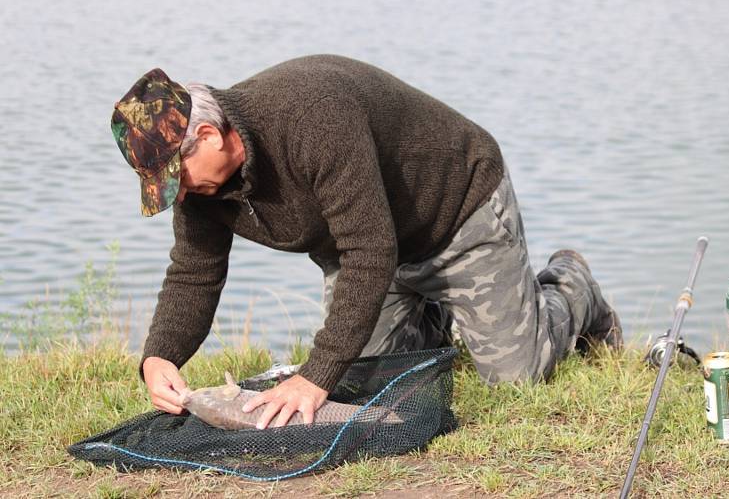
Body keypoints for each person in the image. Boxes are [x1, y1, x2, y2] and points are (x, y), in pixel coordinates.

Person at [111, 54, 622, 429]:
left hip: (456, 214)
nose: (178, 193)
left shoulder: (312, 116)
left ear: (209, 134)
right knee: (370, 381)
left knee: (516, 376)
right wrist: (160, 356)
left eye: (177, 176)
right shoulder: (199, 191)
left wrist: (315, 376)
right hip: (370, 253)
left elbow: (370, 249)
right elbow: (194, 271)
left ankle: (573, 286)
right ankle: (432, 316)